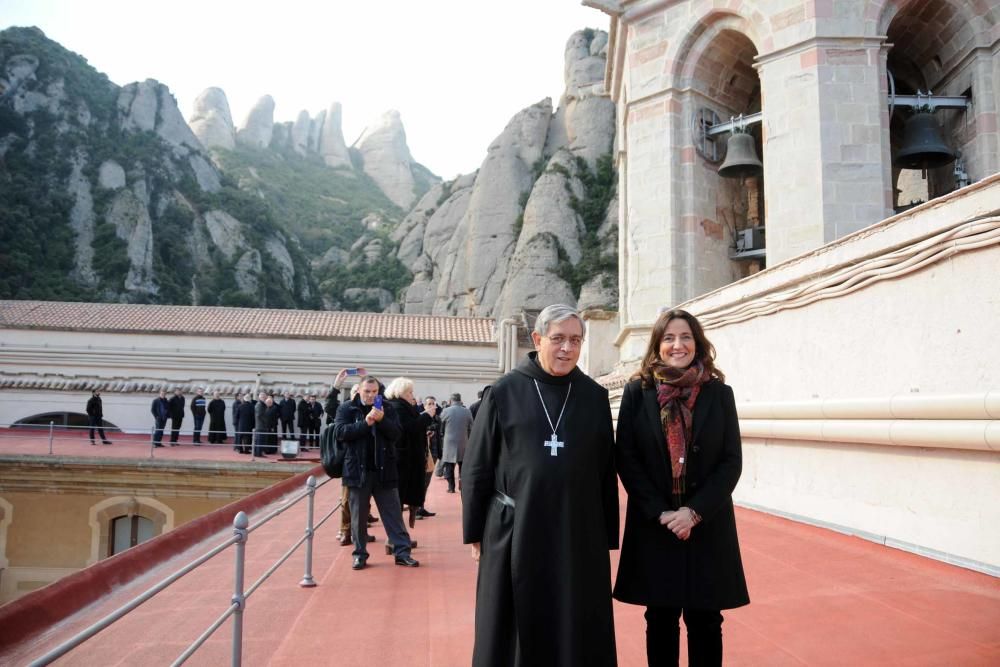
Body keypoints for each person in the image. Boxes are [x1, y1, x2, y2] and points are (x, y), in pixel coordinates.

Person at [462, 303, 619, 667]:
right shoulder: (504, 391)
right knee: (513, 622)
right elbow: (477, 465)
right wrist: (475, 532)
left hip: (577, 531)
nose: (567, 348)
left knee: (575, 617)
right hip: (515, 527)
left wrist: (606, 534)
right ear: (538, 339)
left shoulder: (594, 397)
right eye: (559, 339)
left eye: (576, 340)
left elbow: (604, 470)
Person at [613, 309, 749, 666]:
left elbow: (730, 462)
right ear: (657, 346)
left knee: (706, 619)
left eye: (686, 337)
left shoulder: (720, 394)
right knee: (660, 617)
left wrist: (693, 512)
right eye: (669, 338)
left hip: (707, 523)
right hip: (656, 524)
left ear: (697, 342)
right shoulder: (636, 393)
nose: (678, 345)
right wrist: (662, 512)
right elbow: (627, 458)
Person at [333, 375, 419, 570]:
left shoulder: (387, 408)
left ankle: (402, 553)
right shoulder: (347, 408)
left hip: (384, 470)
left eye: (374, 392)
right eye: (367, 392)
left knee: (393, 515)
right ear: (359, 391)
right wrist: (366, 423)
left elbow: (397, 434)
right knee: (358, 518)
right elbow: (341, 433)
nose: (371, 395)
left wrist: (381, 421)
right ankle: (360, 555)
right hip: (357, 471)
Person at [385, 377, 436, 527]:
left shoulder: (402, 406)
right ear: (401, 392)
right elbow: (409, 428)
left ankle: (398, 536)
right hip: (402, 459)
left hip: (407, 457)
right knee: (398, 497)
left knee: (401, 496)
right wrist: (427, 416)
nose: (412, 395)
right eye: (409, 392)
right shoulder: (397, 407)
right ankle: (396, 538)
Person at [439, 392, 473, 493]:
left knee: (449, 466)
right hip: (464, 442)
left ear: (451, 400)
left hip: (449, 442)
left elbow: (441, 425)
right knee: (463, 466)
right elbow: (472, 426)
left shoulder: (446, 411)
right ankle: (462, 485)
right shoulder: (467, 411)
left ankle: (451, 487)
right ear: (460, 400)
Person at [253, 391, 268, 456]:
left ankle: (258, 453)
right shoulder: (260, 404)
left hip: (261, 425)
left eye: (265, 396)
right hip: (260, 426)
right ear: (260, 397)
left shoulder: (261, 404)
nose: (264, 398)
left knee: (260, 440)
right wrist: (266, 421)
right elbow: (259, 415)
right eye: (262, 396)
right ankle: (258, 453)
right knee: (260, 440)